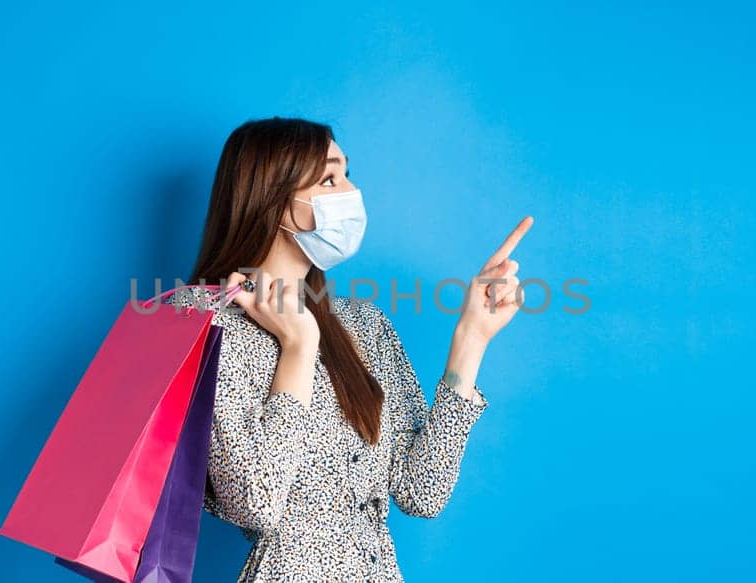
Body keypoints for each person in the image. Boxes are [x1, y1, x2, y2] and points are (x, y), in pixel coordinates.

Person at [163, 116, 532, 581]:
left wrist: (471, 338)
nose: (350, 193)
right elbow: (254, 502)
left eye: (348, 175)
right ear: (276, 202)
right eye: (329, 178)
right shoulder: (204, 317)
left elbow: (423, 491)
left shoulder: (363, 324)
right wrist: (298, 345)